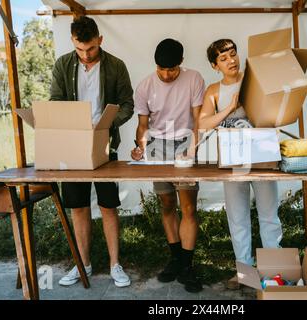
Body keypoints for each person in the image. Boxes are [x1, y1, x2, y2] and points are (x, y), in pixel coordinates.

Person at [50, 16, 134, 288]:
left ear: (100, 39)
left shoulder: (116, 66)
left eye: (91, 49)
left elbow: (127, 104)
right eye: (80, 49)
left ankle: (115, 264)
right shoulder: (63, 64)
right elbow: (55, 101)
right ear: (73, 42)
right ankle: (82, 264)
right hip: (73, 145)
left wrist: (107, 124)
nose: (85, 55)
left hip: (105, 144)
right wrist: (72, 121)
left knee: (109, 206)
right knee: (78, 207)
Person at [199, 39, 283, 289]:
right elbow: (203, 125)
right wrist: (230, 108)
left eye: (233, 55)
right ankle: (245, 272)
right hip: (233, 160)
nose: (231, 61)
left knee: (269, 215)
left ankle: (274, 272)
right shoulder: (214, 90)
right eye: (223, 59)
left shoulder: (254, 79)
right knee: (237, 217)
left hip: (263, 157)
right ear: (215, 66)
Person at [131, 38, 205, 293]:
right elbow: (142, 124)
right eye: (161, 69)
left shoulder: (194, 78)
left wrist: (192, 148)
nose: (166, 74)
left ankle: (187, 264)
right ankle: (175, 259)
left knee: (188, 207)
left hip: (185, 142)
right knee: (166, 204)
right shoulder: (144, 87)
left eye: (171, 69)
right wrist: (140, 146)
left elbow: (198, 119)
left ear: (181, 64)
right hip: (157, 147)